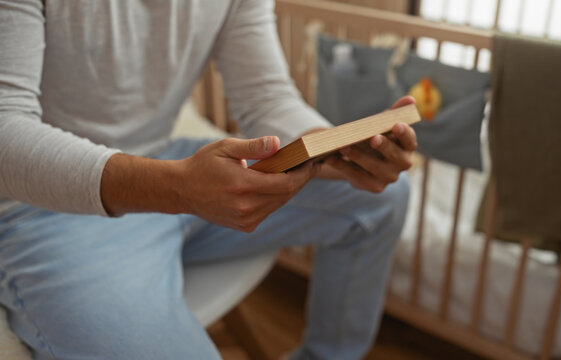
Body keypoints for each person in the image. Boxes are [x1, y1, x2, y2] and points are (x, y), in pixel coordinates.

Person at [0, 0, 418, 359]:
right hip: (43, 208)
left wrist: (329, 146)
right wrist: (175, 187)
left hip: (168, 159)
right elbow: (5, 131)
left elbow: (266, 96)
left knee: (386, 195)